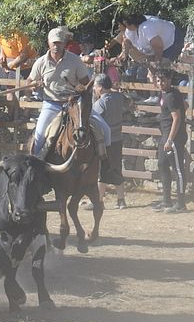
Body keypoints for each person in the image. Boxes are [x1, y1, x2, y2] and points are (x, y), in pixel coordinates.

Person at [27, 26, 111, 158]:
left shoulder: (75, 60)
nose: (56, 46)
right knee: (39, 135)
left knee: (105, 129)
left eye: (60, 42)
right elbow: (29, 82)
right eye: (54, 43)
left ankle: (105, 166)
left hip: (74, 104)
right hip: (51, 104)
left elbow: (85, 83)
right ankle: (35, 166)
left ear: (64, 43)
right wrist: (34, 85)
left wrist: (81, 88)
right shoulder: (41, 62)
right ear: (48, 43)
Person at [91, 74, 131, 210]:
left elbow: (94, 122)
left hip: (105, 141)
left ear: (101, 88)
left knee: (103, 171)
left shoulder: (100, 103)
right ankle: (121, 200)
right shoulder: (119, 97)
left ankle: (99, 201)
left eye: (95, 87)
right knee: (116, 169)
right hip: (117, 139)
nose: (94, 89)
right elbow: (129, 103)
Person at [152, 70, 187, 213]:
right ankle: (167, 201)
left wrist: (170, 140)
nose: (161, 83)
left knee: (178, 170)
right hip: (166, 136)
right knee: (162, 164)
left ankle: (181, 204)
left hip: (173, 138)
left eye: (164, 80)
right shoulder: (169, 93)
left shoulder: (171, 96)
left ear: (170, 79)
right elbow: (185, 106)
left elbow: (177, 118)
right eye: (159, 81)